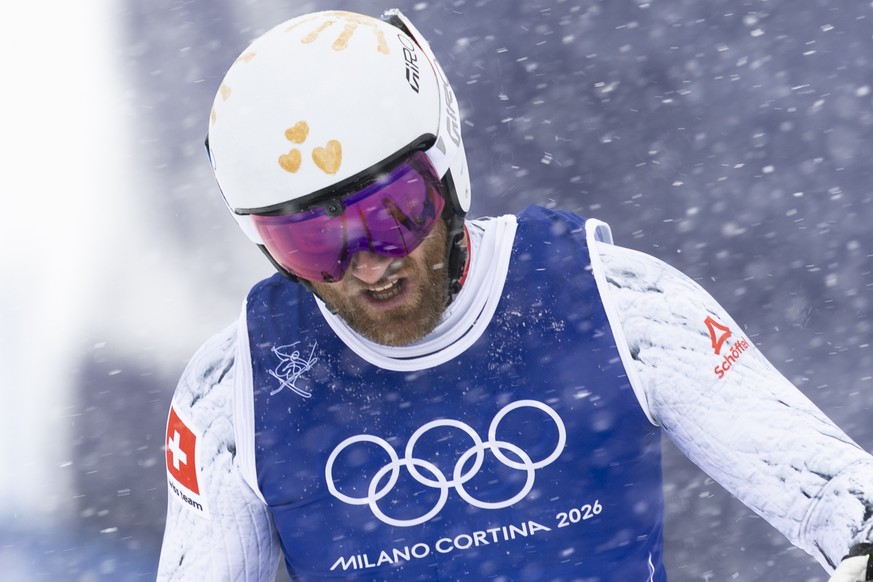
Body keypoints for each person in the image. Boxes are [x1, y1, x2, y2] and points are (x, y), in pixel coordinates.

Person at [157, 8, 873, 582]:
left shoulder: (620, 305)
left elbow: (848, 505)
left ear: (445, 169)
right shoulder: (230, 395)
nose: (368, 267)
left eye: (392, 214)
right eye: (310, 243)